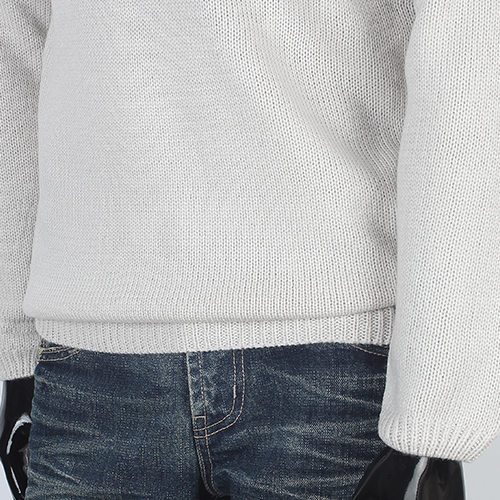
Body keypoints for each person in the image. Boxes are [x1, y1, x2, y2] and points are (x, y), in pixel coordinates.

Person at [0, 0, 498, 498]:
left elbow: (466, 71)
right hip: (85, 363)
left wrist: (436, 412)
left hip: (334, 362)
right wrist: (15, 349)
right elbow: (19, 44)